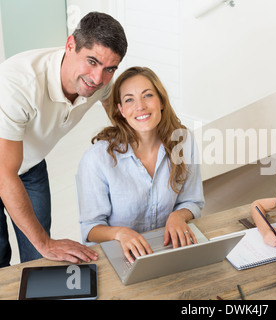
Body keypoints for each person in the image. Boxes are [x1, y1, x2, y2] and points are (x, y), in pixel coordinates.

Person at [0, 12, 128, 267]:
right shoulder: (18, 85)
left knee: (39, 258)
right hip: (5, 167)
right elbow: (5, 174)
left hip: (29, 163)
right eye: (91, 61)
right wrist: (46, 243)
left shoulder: (101, 80)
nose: (97, 78)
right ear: (70, 46)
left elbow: (119, 113)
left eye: (109, 69)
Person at [77, 66, 205, 264]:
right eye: (129, 99)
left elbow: (192, 201)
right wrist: (120, 233)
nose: (140, 106)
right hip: (118, 258)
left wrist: (178, 216)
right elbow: (91, 228)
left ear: (161, 101)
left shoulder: (184, 142)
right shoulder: (97, 159)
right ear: (121, 110)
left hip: (168, 250)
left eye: (147, 95)